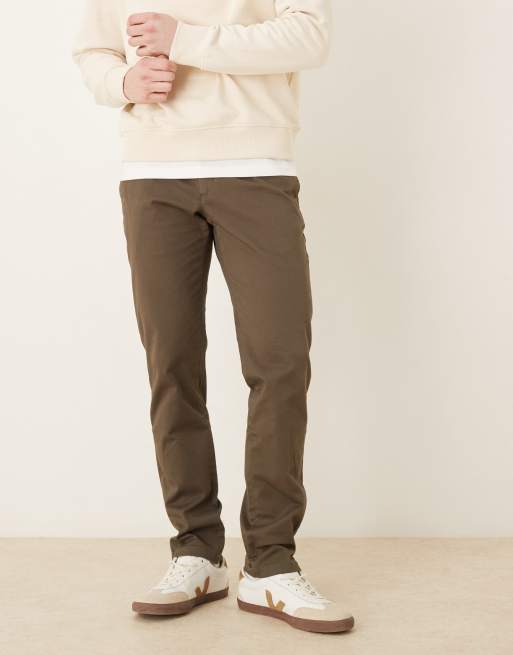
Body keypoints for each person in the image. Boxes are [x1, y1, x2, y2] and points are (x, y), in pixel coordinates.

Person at [73, 0, 354, 634]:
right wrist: (122, 82)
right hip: (153, 176)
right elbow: (93, 49)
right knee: (171, 364)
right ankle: (197, 552)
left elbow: (309, 36)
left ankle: (271, 562)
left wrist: (186, 39)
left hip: (257, 168)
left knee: (280, 363)